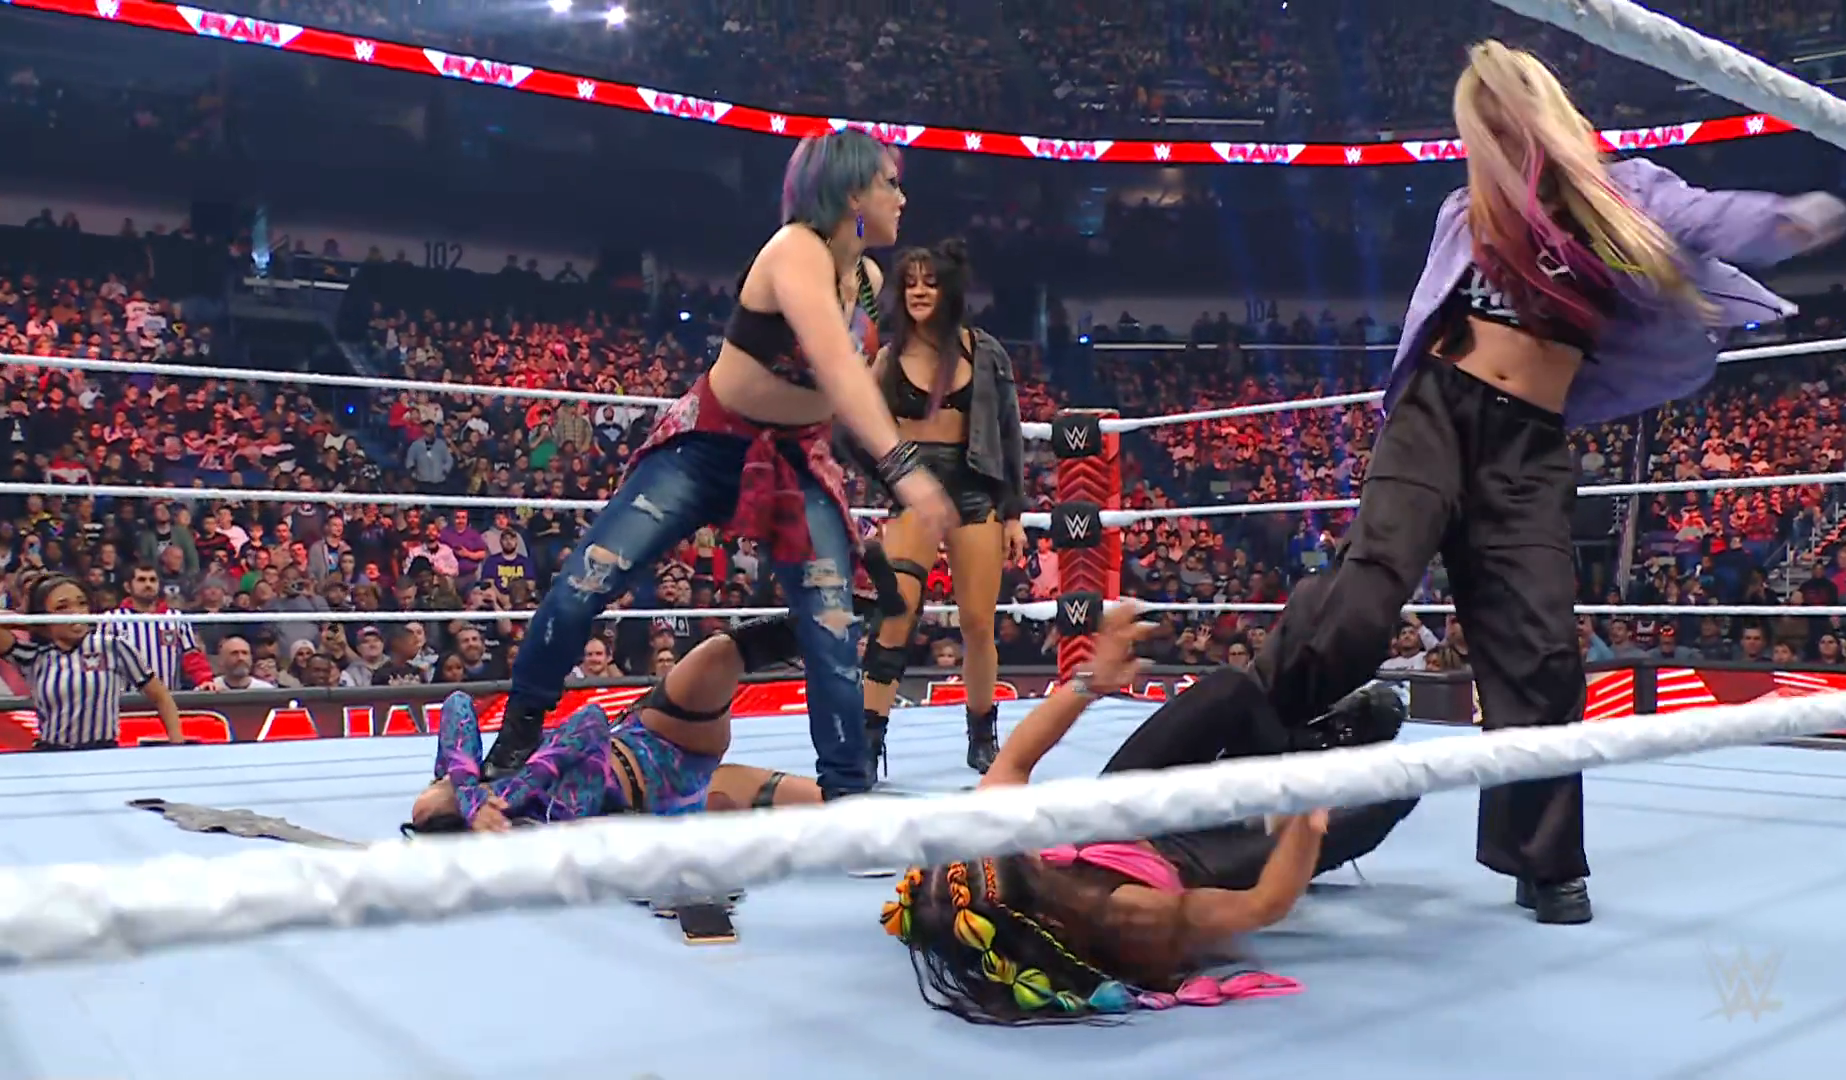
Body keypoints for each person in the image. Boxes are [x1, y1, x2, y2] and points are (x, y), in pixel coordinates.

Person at [1251, 41, 1846, 925]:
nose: (1499, 137)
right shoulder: (1466, 209)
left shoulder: (1625, 195)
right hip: (1434, 414)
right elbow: (1428, 318)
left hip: (1529, 441)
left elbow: (1709, 219)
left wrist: (1788, 222)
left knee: (1540, 648)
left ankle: (1544, 858)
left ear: (1544, 114)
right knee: (1365, 596)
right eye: (1483, 124)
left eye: (1509, 116)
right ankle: (1254, 744)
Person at [482, 129, 957, 802]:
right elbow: (833, 363)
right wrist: (906, 469)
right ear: (853, 192)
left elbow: (855, 395)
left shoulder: (871, 284)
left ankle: (848, 797)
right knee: (587, 581)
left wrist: (886, 480)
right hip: (707, 446)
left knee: (832, 625)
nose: (902, 198)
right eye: (890, 183)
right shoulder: (795, 248)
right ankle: (518, 737)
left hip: (795, 459)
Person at [882, 605, 1415, 1025]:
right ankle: (1319, 770)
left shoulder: (982, 875)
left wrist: (1091, 681)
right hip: (1191, 866)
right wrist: (1308, 815)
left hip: (1116, 819)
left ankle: (1310, 745)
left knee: (1228, 691)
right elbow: (1263, 904)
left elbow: (1014, 761)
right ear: (1037, 892)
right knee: (1396, 787)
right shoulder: (1127, 916)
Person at [410, 543, 909, 830]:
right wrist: (502, 801)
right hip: (676, 796)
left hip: (654, 734)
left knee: (718, 653)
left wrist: (470, 790)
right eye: (438, 791)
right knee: (842, 808)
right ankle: (930, 819)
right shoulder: (533, 822)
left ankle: (858, 610)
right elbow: (587, 731)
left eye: (438, 783)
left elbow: (458, 705)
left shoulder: (474, 779)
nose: (434, 785)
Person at [861, 239, 1027, 777]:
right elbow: (861, 430)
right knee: (895, 615)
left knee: (978, 623)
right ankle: (868, 740)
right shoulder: (888, 359)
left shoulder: (985, 352)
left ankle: (982, 735)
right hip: (915, 489)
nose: (918, 292)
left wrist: (1014, 513)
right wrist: (891, 483)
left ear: (948, 289)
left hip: (974, 488)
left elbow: (1009, 433)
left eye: (929, 283)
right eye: (910, 283)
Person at [0, 571, 184, 750]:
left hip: (102, 753)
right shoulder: (34, 655)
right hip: (54, 754)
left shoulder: (112, 647)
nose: (76, 612)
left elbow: (161, 696)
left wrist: (177, 744)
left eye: (82, 604)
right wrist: (35, 622)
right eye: (62, 607)